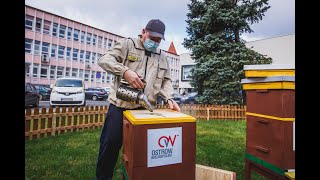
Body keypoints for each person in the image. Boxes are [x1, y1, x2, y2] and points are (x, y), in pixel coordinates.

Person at [95, 19, 181, 180]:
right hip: (120, 107)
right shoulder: (127, 45)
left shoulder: (162, 57)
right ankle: (102, 178)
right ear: (144, 31)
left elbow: (166, 81)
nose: (155, 43)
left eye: (158, 40)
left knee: (141, 150)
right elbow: (104, 60)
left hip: (144, 111)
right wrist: (125, 71)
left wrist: (169, 98)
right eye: (152, 38)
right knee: (110, 145)